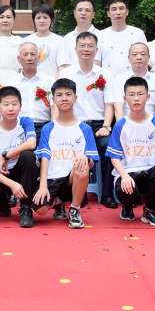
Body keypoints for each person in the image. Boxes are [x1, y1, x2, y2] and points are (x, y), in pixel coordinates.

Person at [33, 78, 99, 229]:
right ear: (53, 99)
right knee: (40, 209)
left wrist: (86, 159)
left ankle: (74, 210)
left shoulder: (85, 129)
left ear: (75, 98)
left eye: (68, 94)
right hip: (52, 178)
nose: (64, 98)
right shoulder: (48, 128)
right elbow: (44, 158)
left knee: (82, 166)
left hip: (73, 178)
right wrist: (43, 186)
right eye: (59, 95)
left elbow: (92, 161)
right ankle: (58, 202)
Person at [107, 76, 155, 226]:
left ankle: (150, 210)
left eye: (140, 94)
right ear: (125, 98)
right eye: (131, 94)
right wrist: (124, 176)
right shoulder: (120, 125)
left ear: (148, 97)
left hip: (150, 172)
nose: (136, 98)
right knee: (124, 187)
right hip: (128, 173)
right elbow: (114, 156)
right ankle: (127, 207)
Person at [61, 31, 115, 207]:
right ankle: (78, 191)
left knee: (109, 145)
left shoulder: (105, 74)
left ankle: (107, 194)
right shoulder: (66, 73)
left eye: (90, 46)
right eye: (82, 46)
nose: (86, 49)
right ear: (75, 49)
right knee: (70, 148)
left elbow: (109, 103)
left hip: (99, 125)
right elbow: (61, 103)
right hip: (74, 126)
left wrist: (106, 126)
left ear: (96, 50)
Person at [0, 86, 37, 224]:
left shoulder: (25, 122)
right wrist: (12, 184)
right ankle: (4, 202)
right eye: (6, 104)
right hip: (2, 173)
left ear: (20, 106)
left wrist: (7, 155)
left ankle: (25, 208)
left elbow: (31, 143)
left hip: (21, 171)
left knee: (28, 156)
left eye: (14, 104)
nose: (10, 108)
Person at [109, 42, 155, 122]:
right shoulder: (119, 79)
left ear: (149, 57)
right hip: (127, 124)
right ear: (129, 58)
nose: (139, 57)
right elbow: (118, 107)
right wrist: (122, 127)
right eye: (134, 54)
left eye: (143, 54)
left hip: (151, 124)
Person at [10, 42, 55, 140]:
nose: (29, 58)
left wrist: (53, 129)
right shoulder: (11, 83)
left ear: (38, 57)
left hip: (44, 127)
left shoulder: (49, 80)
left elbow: (54, 108)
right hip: (19, 128)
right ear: (19, 59)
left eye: (33, 54)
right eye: (25, 54)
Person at [97, 0, 146, 75]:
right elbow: (97, 62)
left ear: (127, 12)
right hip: (107, 79)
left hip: (133, 79)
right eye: (114, 9)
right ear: (108, 13)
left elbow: (144, 60)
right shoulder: (100, 35)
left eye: (121, 8)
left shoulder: (138, 33)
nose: (118, 12)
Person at [57, 0, 100, 71]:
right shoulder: (67, 38)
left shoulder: (101, 36)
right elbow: (62, 66)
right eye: (80, 10)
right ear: (74, 13)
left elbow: (99, 64)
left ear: (93, 14)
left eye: (87, 10)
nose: (83, 13)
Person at [21, 3, 62, 78]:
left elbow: (62, 68)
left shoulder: (60, 41)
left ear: (51, 20)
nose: (42, 21)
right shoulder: (25, 41)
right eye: (38, 18)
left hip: (52, 83)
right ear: (34, 20)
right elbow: (21, 67)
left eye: (45, 17)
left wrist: (54, 83)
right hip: (30, 82)